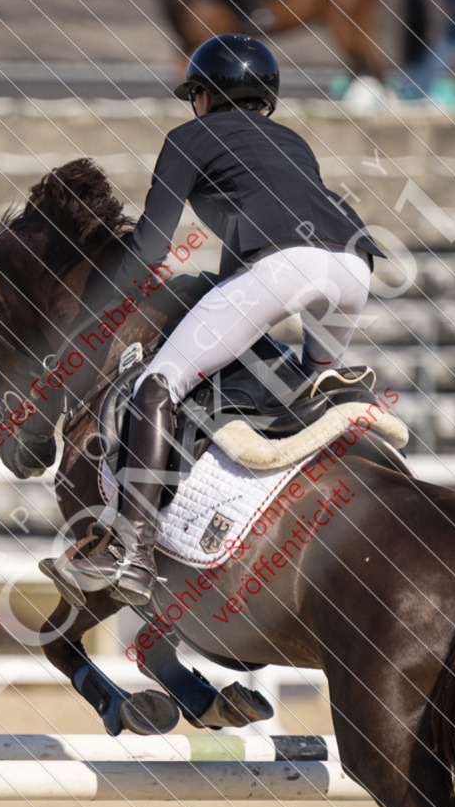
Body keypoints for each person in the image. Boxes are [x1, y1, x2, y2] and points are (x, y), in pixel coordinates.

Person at [60, 34, 383, 609]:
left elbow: (152, 247)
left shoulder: (189, 137)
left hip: (283, 266)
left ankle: (131, 550)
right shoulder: (292, 141)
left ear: (204, 95)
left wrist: (101, 301)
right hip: (353, 266)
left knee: (156, 384)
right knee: (311, 386)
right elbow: (260, 229)